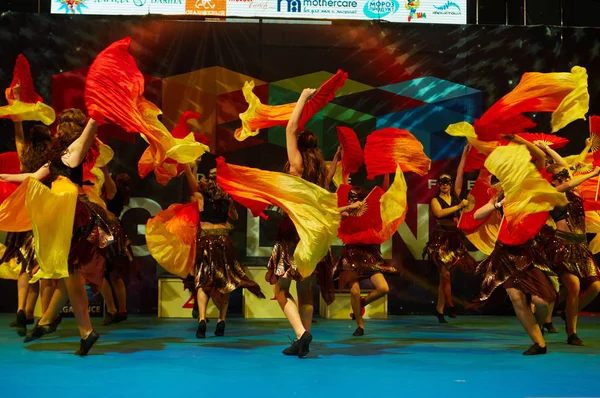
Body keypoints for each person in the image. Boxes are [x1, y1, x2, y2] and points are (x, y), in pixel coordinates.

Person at [0, 108, 107, 355]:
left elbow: (91, 129)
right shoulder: (58, 158)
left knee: (70, 276)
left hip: (73, 217)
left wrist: (97, 112)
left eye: (62, 126)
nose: (58, 129)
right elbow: (33, 176)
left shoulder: (75, 151)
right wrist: (4, 175)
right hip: (64, 216)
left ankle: (82, 331)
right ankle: (82, 332)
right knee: (70, 277)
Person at [183, 153, 265, 338]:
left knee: (203, 282)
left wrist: (190, 163)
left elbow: (188, 175)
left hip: (205, 241)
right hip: (223, 241)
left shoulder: (200, 194)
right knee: (224, 282)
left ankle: (202, 319)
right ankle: (221, 320)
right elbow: (234, 217)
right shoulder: (227, 197)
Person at [535, 141, 600, 345]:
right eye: (558, 177)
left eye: (564, 176)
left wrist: (547, 149)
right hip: (562, 245)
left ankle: (567, 312)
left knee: (596, 288)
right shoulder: (554, 193)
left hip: (580, 246)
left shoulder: (574, 191)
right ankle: (572, 333)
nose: (563, 178)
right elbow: (568, 182)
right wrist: (593, 173)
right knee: (573, 286)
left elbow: (563, 166)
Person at [425, 144, 476, 323]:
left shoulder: (455, 195)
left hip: (454, 238)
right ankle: (450, 305)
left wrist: (464, 154)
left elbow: (460, 172)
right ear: (438, 185)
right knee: (445, 274)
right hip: (440, 239)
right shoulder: (435, 200)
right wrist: (459, 206)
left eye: (448, 182)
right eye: (442, 182)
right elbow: (439, 214)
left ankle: (439, 310)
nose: (445, 185)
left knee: (446, 276)